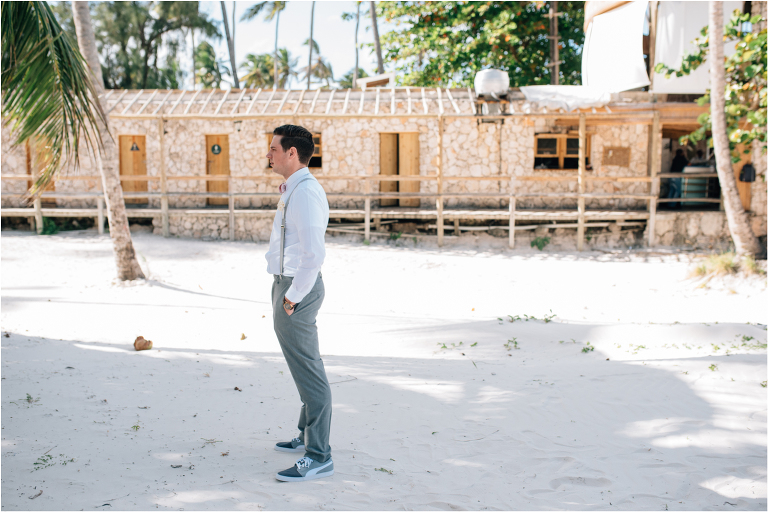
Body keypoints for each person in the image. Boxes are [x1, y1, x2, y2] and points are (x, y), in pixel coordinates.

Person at [265, 125, 332, 482]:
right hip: (288, 285)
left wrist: (291, 297)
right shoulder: (296, 188)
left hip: (297, 290)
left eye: (274, 148)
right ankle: (307, 436)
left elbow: (313, 255)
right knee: (302, 366)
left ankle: (320, 455)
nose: (269, 154)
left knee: (309, 371)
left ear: (292, 153)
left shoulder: (305, 194)